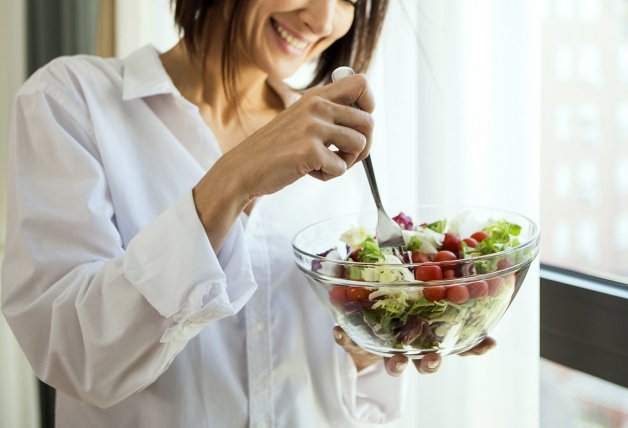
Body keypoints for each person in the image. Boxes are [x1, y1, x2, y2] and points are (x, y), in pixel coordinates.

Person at [1, 0, 494, 426]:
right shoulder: (71, 101)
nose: (323, 17)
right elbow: (72, 353)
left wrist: (374, 344)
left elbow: (346, 396)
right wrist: (232, 180)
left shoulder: (333, 142)